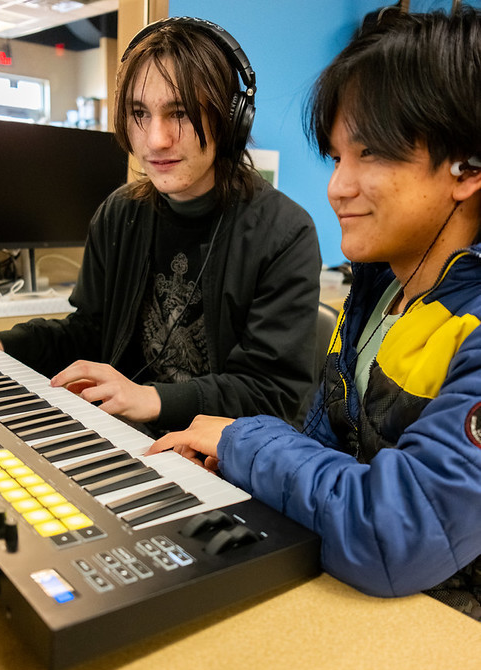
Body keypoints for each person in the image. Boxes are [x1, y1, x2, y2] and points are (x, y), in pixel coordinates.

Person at [148, 7, 481, 619]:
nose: (337, 186)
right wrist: (236, 465)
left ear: (469, 167)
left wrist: (244, 440)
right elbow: (326, 454)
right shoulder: (379, 289)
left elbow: (399, 531)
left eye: (372, 154)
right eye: (335, 156)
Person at [0, 18, 321, 434]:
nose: (155, 140)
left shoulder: (284, 234)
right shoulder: (118, 214)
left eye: (179, 112)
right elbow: (89, 333)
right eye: (139, 113)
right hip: (125, 439)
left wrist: (151, 398)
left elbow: (272, 394)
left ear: (231, 121)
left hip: (221, 455)